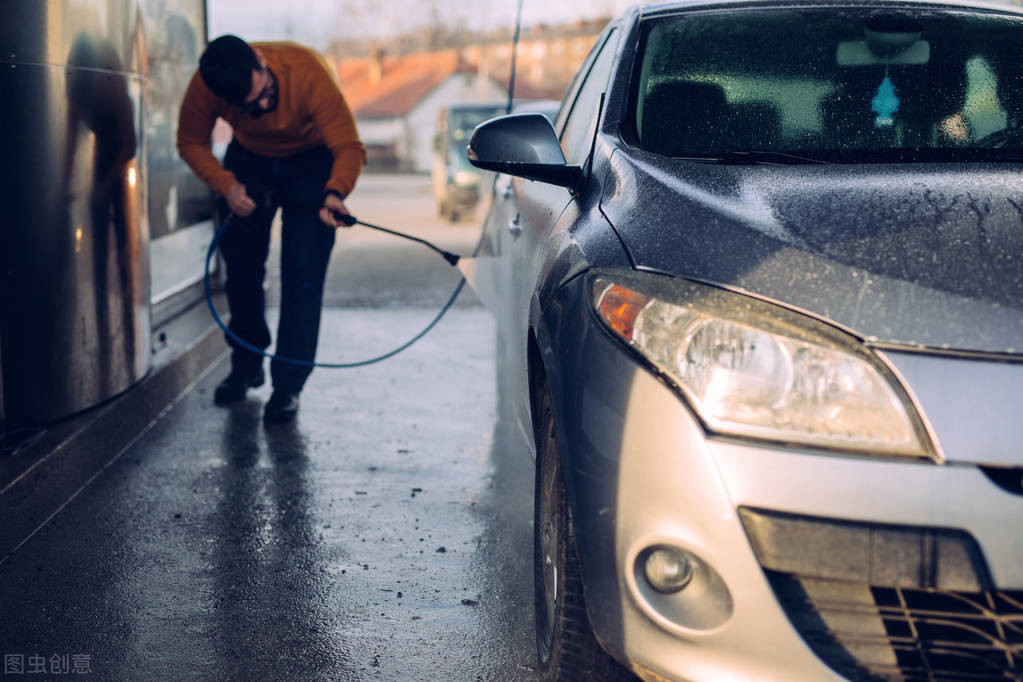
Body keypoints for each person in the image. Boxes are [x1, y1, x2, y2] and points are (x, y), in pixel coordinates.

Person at [177, 35, 365, 423]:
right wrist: (226, 185)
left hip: (311, 161)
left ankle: (288, 387)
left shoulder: (306, 72)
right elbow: (190, 141)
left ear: (261, 61)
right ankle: (246, 365)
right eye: (251, 106)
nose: (263, 106)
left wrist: (334, 192)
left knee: (303, 275)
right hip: (249, 160)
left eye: (265, 94)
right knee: (242, 270)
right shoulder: (207, 84)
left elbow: (348, 145)